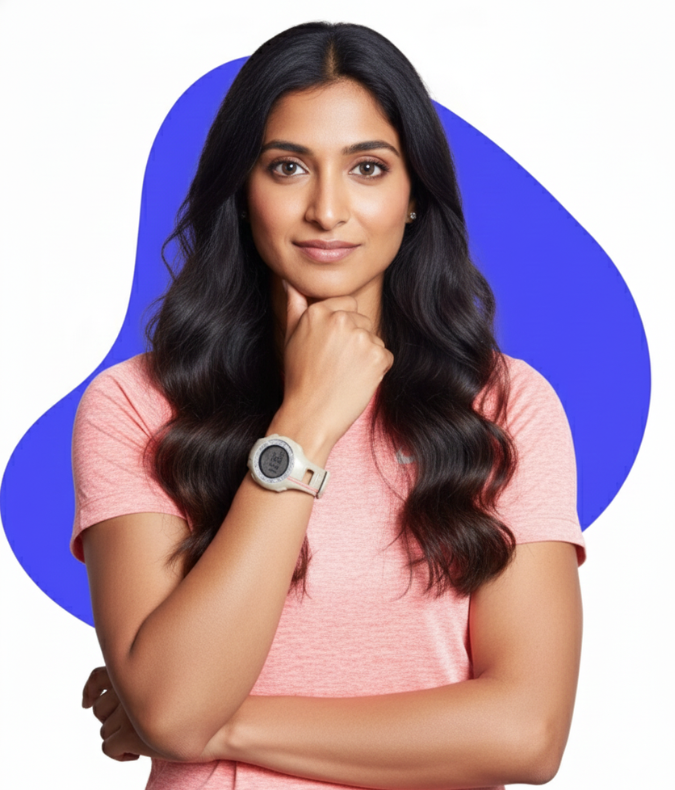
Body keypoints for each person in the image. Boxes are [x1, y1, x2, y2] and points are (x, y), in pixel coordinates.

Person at [73, 21, 585, 790]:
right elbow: (175, 711)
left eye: (368, 168)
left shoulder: (507, 408)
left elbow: (526, 733)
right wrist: (304, 425)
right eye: (286, 167)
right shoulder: (136, 407)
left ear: (414, 195)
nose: (326, 209)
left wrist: (223, 723)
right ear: (241, 191)